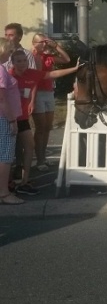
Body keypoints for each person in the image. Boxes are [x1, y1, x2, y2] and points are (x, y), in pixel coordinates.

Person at [9, 49, 79, 195]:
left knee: (29, 146)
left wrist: (75, 68)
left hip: (22, 118)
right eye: (18, 61)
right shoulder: (8, 75)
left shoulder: (32, 73)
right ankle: (7, 182)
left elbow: (52, 74)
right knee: (8, 152)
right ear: (13, 63)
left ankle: (24, 181)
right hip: (8, 119)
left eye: (24, 60)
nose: (22, 64)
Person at [30, 33, 71, 170]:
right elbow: (37, 71)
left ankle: (43, 158)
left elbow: (66, 59)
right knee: (40, 128)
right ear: (35, 43)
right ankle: (39, 159)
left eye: (46, 42)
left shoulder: (49, 57)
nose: (45, 44)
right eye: (42, 42)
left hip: (49, 92)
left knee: (48, 127)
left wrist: (56, 46)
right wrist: (38, 50)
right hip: (37, 93)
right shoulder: (32, 56)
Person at [0, 38, 23, 205]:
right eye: (8, 51)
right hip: (4, 117)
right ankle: (4, 193)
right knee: (5, 156)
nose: (10, 55)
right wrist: (11, 120)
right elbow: (2, 98)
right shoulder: (1, 70)